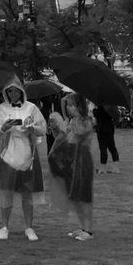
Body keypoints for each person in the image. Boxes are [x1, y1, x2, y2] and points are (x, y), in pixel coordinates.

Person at [0, 78, 47, 241]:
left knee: (27, 192)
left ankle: (29, 227)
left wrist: (32, 128)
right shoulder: (1, 109)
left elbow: (42, 128)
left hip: (27, 152)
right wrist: (4, 128)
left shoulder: (32, 108)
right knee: (6, 190)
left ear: (21, 91)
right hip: (8, 153)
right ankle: (4, 226)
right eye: (9, 91)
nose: (13, 94)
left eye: (15, 91)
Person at [47, 93, 96, 241]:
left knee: (83, 196)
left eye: (72, 105)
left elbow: (80, 133)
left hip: (81, 160)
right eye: (68, 105)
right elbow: (61, 138)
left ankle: (88, 230)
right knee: (74, 195)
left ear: (80, 106)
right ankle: (82, 227)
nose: (69, 108)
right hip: (70, 159)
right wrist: (56, 128)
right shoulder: (71, 120)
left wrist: (69, 122)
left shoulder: (86, 120)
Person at [93, 103, 120, 173]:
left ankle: (103, 168)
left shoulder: (99, 107)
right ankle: (116, 167)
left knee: (103, 148)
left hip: (101, 129)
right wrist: (113, 124)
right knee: (112, 147)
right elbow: (117, 116)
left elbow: (95, 115)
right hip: (109, 127)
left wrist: (94, 109)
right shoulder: (111, 106)